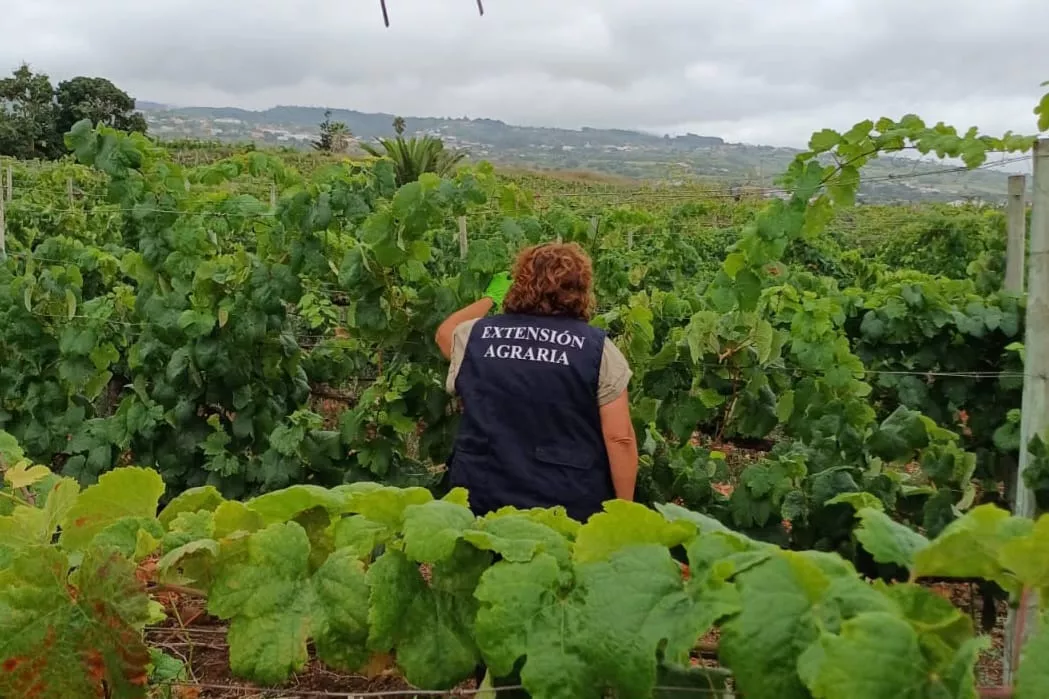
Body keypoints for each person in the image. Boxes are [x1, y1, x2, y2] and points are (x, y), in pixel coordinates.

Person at [435, 242, 638, 522]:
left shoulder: (474, 336)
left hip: (483, 497)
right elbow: (620, 438)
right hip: (564, 504)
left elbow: (444, 333)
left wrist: (490, 298)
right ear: (580, 290)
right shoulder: (598, 350)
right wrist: (624, 511)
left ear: (518, 283)